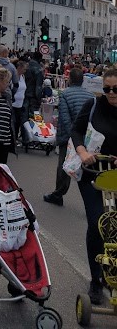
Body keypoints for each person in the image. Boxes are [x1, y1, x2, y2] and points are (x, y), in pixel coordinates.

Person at [71, 64, 117, 305]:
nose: (111, 93)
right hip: (93, 174)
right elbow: (76, 131)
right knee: (98, 223)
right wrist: (82, 151)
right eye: (107, 89)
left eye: (116, 89)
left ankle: (112, 273)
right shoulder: (93, 106)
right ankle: (96, 279)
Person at [44, 66, 89, 207]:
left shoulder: (65, 94)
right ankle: (89, 200)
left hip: (69, 136)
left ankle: (58, 194)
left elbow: (64, 117)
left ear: (69, 80)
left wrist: (71, 137)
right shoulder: (90, 96)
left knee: (64, 166)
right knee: (86, 168)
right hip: (85, 137)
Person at [12, 59, 27, 143]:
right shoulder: (14, 77)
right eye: (24, 69)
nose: (25, 71)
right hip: (13, 103)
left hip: (20, 104)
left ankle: (15, 138)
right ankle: (12, 139)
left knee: (18, 122)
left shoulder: (23, 77)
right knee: (13, 122)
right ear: (19, 68)